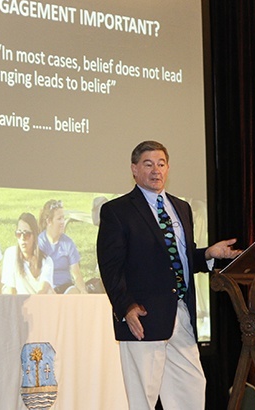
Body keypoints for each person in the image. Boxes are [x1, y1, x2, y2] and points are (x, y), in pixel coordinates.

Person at [96, 140, 241, 409]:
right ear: (134, 169)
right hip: (142, 316)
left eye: (161, 164)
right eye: (148, 164)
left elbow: (178, 258)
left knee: (191, 389)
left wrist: (208, 253)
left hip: (181, 312)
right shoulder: (118, 211)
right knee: (143, 398)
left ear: (168, 168)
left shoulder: (181, 207)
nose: (156, 170)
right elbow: (110, 266)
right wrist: (125, 307)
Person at [38, 199, 87, 294]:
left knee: (75, 293)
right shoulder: (40, 242)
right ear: (49, 221)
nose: (63, 222)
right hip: (47, 287)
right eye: (59, 219)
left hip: (66, 286)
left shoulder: (68, 243)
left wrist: (83, 292)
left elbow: (76, 274)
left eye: (63, 218)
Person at [1, 213, 54, 294]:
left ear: (34, 236)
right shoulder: (11, 254)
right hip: (17, 303)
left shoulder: (47, 261)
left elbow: (43, 290)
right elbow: (11, 291)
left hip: (39, 302)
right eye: (19, 234)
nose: (22, 238)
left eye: (27, 234)